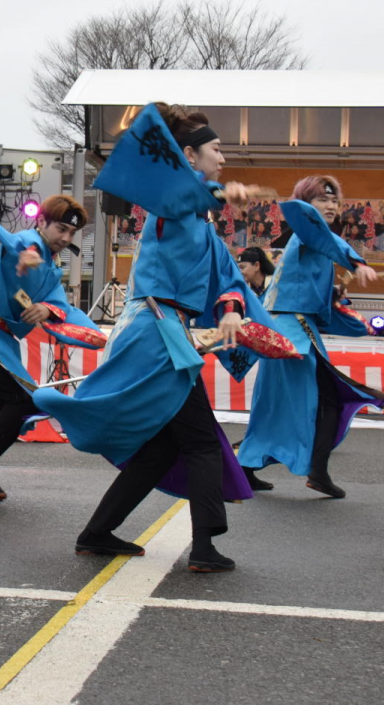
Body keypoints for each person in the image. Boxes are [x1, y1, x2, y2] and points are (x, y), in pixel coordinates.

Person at [34, 104, 298, 573]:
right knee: (201, 441)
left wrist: (233, 311)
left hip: (166, 333)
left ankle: (97, 532)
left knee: (163, 448)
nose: (224, 158)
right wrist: (218, 191)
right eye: (216, 150)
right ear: (190, 156)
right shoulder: (170, 205)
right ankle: (205, 547)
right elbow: (180, 195)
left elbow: (227, 279)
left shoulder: (201, 223)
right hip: (156, 334)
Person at [0, 194, 107, 500]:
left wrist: (47, 309)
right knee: (22, 403)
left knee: (23, 406)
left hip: (0, 340)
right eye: (61, 229)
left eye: (71, 233)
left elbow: (59, 304)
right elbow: (21, 244)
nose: (66, 238)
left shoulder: (52, 267)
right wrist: (27, 254)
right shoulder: (30, 241)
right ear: (41, 221)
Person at [237, 176, 384, 498]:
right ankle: (318, 471)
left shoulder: (315, 242)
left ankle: (247, 467)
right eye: (322, 200)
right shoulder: (309, 232)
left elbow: (313, 295)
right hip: (292, 331)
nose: (331, 206)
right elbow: (321, 235)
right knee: (330, 399)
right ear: (307, 206)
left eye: (335, 201)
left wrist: (336, 297)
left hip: (288, 328)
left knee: (273, 404)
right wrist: (356, 262)